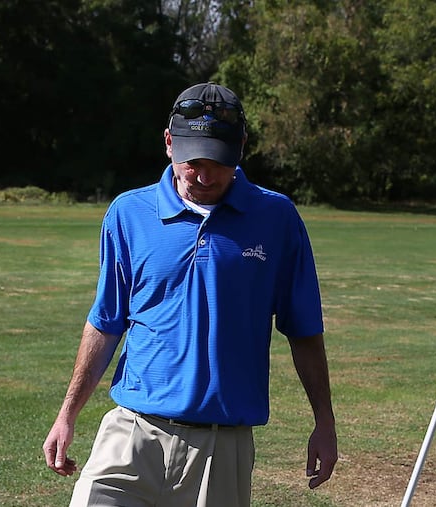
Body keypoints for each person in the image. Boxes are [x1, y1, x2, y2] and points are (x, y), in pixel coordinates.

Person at [42, 82, 337, 506]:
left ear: (241, 149)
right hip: (130, 435)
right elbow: (106, 322)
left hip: (221, 451)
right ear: (168, 144)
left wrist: (324, 422)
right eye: (192, 160)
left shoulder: (277, 219)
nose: (203, 175)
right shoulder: (128, 213)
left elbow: (304, 330)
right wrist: (67, 415)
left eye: (218, 162)